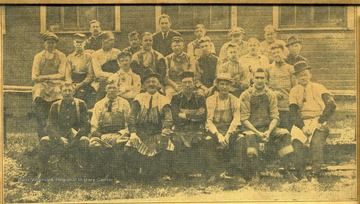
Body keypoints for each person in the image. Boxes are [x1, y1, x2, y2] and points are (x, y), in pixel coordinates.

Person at [239, 68, 295, 181]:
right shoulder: (246, 95)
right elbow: (244, 118)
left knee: (285, 134)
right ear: (252, 79)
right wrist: (257, 132)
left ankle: (285, 169)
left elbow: (275, 116)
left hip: (268, 128)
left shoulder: (270, 95)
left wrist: (269, 131)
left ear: (266, 80)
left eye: (262, 78)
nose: (259, 80)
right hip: (251, 128)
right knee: (250, 137)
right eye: (257, 78)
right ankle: (256, 172)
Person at [289, 61, 336, 182]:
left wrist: (320, 121)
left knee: (316, 143)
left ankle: (315, 174)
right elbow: (293, 113)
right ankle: (302, 174)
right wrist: (302, 126)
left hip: (318, 120)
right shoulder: (294, 91)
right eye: (299, 75)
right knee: (297, 143)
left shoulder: (319, 87)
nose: (303, 77)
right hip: (302, 121)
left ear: (310, 75)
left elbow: (331, 105)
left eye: (305, 74)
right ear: (296, 78)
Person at [36, 82, 90, 185]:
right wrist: (59, 138)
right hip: (60, 138)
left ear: (74, 91)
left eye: (70, 90)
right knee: (44, 141)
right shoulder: (55, 105)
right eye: (65, 90)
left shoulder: (81, 104)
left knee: (85, 141)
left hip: (76, 138)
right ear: (60, 92)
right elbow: (50, 126)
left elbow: (86, 124)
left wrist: (78, 136)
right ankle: (43, 175)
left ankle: (84, 175)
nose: (67, 93)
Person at [125, 71, 175, 180]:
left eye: (154, 82)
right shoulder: (139, 98)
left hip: (158, 133)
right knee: (129, 147)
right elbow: (132, 116)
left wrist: (165, 133)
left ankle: (162, 174)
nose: (151, 84)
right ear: (144, 85)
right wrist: (133, 133)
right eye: (148, 82)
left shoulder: (164, 99)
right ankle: (135, 174)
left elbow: (168, 118)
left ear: (158, 85)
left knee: (167, 146)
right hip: (141, 133)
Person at [89, 80, 131, 182]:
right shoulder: (99, 104)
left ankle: (117, 174)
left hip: (119, 134)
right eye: (109, 88)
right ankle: (102, 174)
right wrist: (100, 135)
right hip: (102, 135)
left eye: (114, 88)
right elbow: (93, 126)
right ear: (105, 89)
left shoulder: (124, 103)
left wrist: (121, 134)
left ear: (118, 89)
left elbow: (129, 124)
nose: (112, 90)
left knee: (123, 144)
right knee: (94, 145)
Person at [205, 73, 242, 183]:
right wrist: (218, 135)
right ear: (217, 85)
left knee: (240, 140)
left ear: (231, 87)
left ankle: (236, 173)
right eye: (222, 84)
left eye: (227, 84)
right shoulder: (210, 100)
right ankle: (213, 173)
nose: (224, 87)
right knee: (208, 141)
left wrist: (228, 135)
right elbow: (209, 120)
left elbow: (236, 119)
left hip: (230, 128)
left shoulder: (235, 100)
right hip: (215, 129)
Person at [170, 71, 207, 177]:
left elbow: (202, 117)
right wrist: (194, 115)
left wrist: (184, 115)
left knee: (197, 141)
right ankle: (180, 172)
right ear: (180, 84)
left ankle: (195, 171)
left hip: (196, 128)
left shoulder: (200, 97)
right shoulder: (176, 98)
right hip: (180, 128)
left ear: (194, 83)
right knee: (177, 141)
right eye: (184, 83)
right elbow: (175, 117)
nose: (187, 85)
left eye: (189, 82)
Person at [32, 31, 66, 138]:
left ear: (56, 44)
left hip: (55, 84)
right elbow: (34, 76)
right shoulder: (38, 57)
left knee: (58, 95)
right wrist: (44, 78)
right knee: (38, 94)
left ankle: (57, 134)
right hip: (41, 85)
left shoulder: (61, 56)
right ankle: (42, 134)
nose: (50, 45)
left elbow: (61, 74)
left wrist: (45, 77)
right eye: (48, 42)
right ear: (44, 43)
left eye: (53, 43)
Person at [267, 43, 297, 131]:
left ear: (284, 53)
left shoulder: (290, 69)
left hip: (286, 107)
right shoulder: (268, 69)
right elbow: (264, 86)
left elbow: (295, 88)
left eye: (278, 52)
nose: (276, 54)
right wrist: (272, 93)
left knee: (285, 131)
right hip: (272, 106)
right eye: (274, 53)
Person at [65, 33, 96, 109]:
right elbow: (67, 74)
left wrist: (80, 84)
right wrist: (71, 84)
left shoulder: (89, 56)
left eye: (81, 42)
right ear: (74, 43)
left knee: (83, 95)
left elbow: (90, 74)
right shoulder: (69, 57)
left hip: (85, 82)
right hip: (73, 82)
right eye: (77, 42)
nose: (79, 44)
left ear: (84, 43)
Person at [91, 31, 121, 101]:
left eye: (113, 40)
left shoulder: (118, 52)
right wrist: (111, 75)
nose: (112, 42)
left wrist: (114, 76)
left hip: (117, 78)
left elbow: (121, 68)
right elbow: (98, 73)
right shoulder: (96, 54)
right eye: (110, 40)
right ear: (103, 41)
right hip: (101, 80)